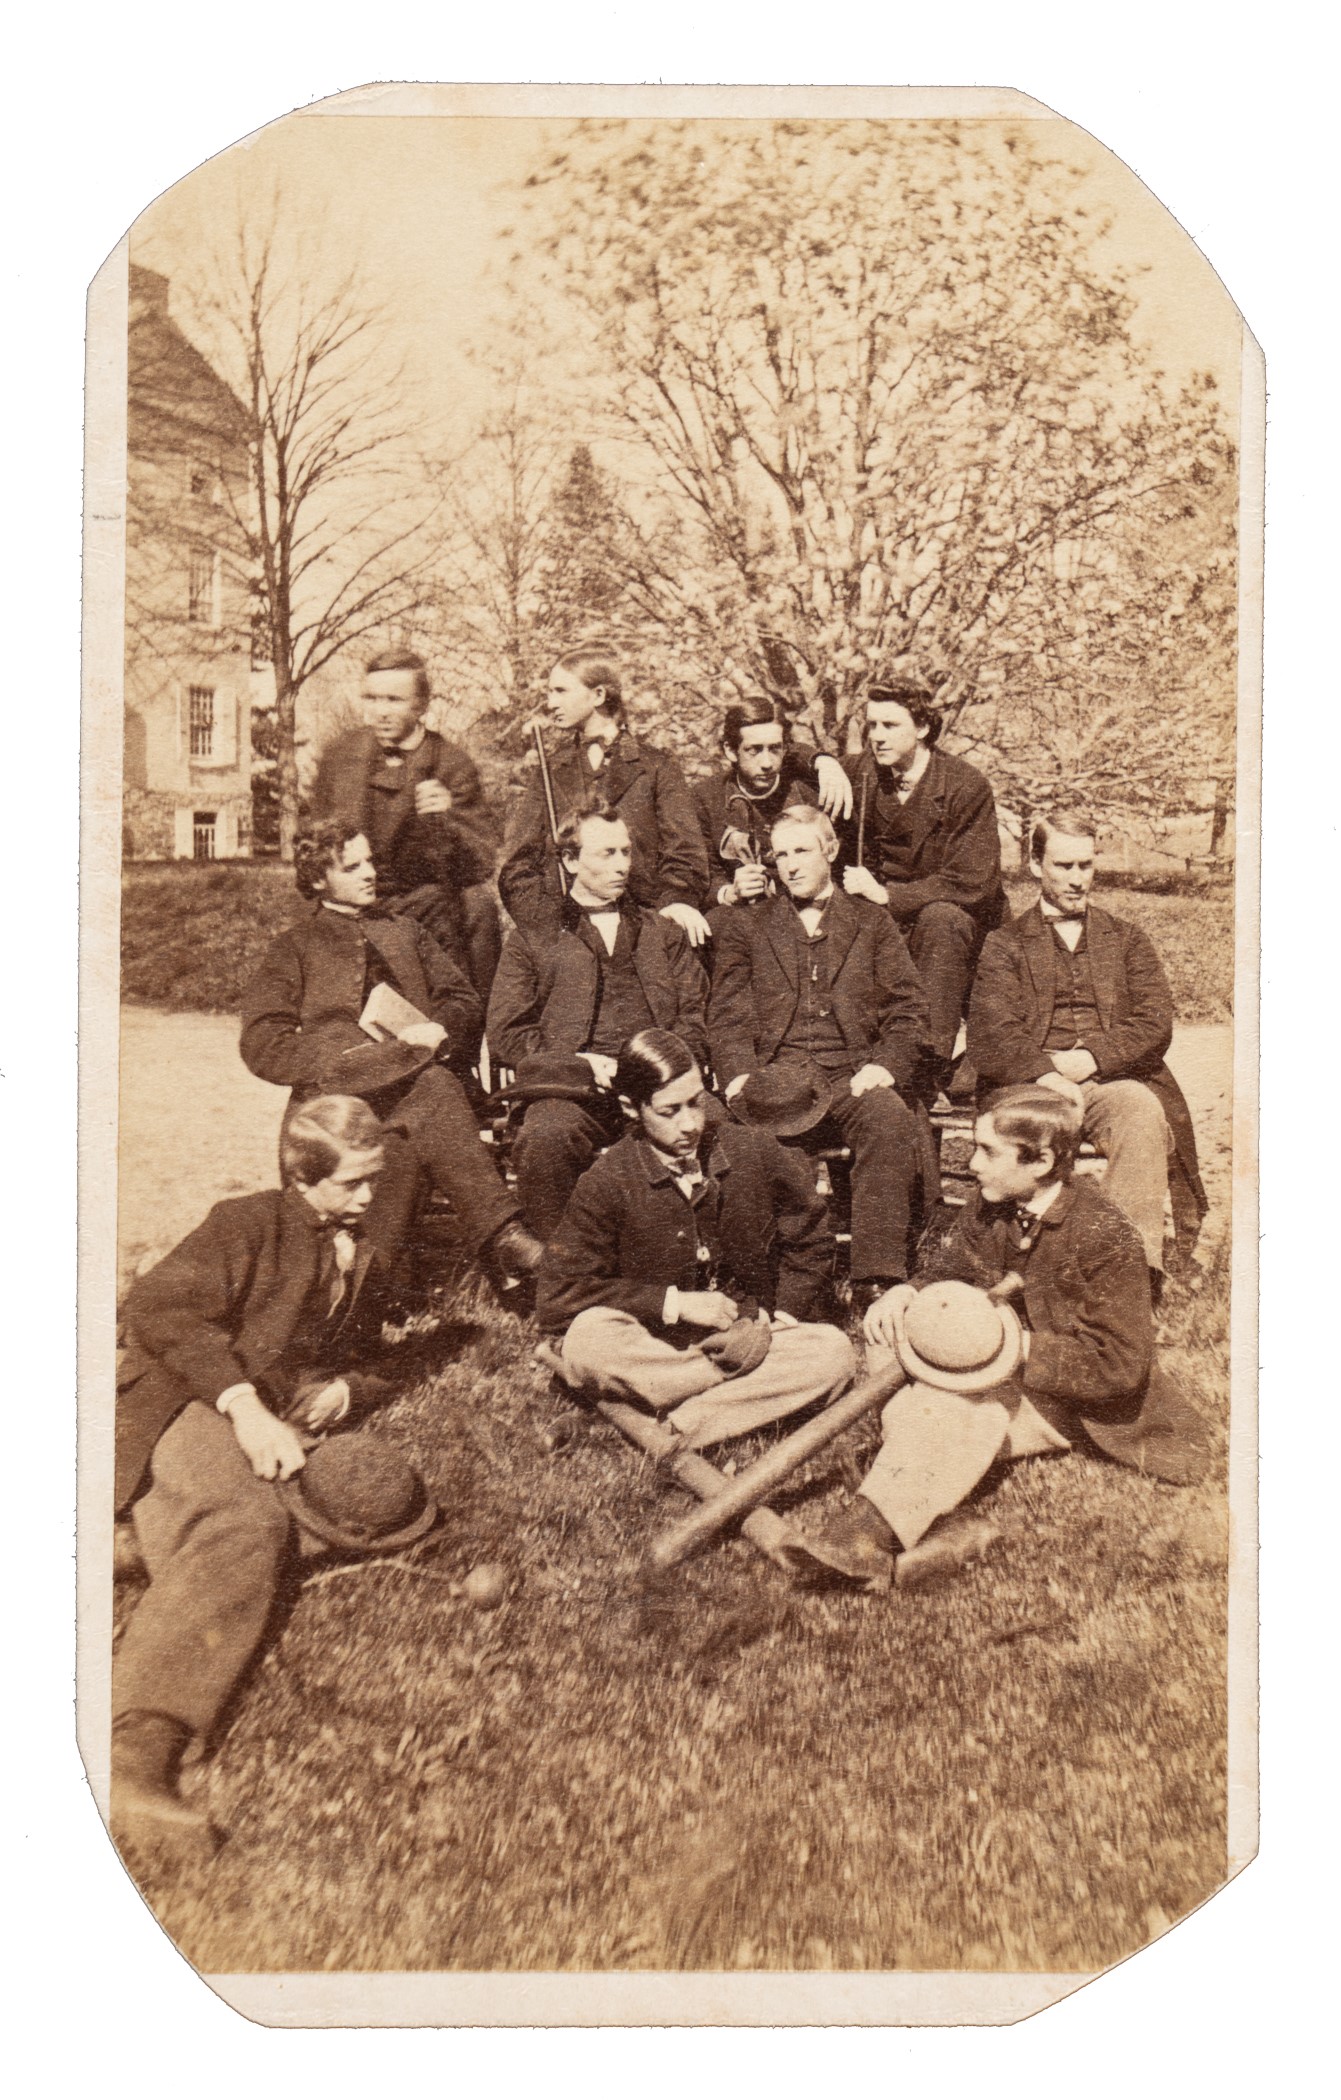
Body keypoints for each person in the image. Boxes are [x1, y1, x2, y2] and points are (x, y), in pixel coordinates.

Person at [112, 1097, 439, 1859]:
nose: (369, 1200)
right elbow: (156, 1310)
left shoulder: (363, 1251)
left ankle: (148, 1546)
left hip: (271, 1412)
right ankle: (135, 1749)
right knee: (249, 1524)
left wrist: (347, 1390)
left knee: (378, 1500)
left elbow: (376, 1353)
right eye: (355, 1184)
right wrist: (243, 1407)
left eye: (376, 1181)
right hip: (185, 1398)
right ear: (301, 1173)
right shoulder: (245, 1222)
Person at [780, 1084, 1209, 1593]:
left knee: (961, 1410)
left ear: (1042, 1160)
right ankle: (949, 1532)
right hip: (1000, 1365)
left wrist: (1020, 1350)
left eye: (988, 1151)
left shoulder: (1104, 1234)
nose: (973, 1163)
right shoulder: (992, 1204)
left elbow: (1121, 1366)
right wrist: (908, 1293)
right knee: (890, 1339)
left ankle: (860, 1536)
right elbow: (952, 1264)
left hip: (1077, 1400)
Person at [240, 819, 542, 1282]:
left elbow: (461, 999)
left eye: (370, 861)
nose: (369, 873)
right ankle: (504, 1236)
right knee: (434, 1089)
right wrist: (336, 1062)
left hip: (410, 1092)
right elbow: (263, 1041)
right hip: (337, 1105)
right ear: (318, 878)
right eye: (352, 865)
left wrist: (440, 1028)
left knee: (423, 1106)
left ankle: (483, 1246)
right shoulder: (295, 947)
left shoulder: (406, 932)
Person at [536, 1031, 856, 1445]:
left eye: (696, 1103)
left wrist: (780, 1318)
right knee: (587, 1339)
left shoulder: (752, 1149)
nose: (689, 1124)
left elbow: (811, 1239)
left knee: (834, 1352)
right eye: (669, 1111)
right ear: (631, 1107)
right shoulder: (606, 1181)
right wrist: (674, 1304)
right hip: (655, 1345)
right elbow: (558, 1298)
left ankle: (665, 1425)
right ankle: (709, 1408)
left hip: (751, 1336)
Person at [707, 803, 934, 1307]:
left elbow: (909, 1009)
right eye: (780, 854)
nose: (790, 865)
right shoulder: (749, 925)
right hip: (776, 1078)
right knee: (758, 1146)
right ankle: (782, 1281)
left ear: (830, 851)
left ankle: (875, 1277)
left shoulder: (871, 922)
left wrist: (884, 1065)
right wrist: (741, 1075)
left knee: (889, 1117)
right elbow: (727, 1015)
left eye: (802, 850)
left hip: (848, 1077)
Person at [967, 806, 1207, 1278]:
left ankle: (1126, 1272)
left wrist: (1092, 1059)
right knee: (1028, 1126)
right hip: (1029, 1083)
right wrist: (1048, 1074)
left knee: (1141, 1110)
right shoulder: (1005, 944)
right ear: (1035, 866)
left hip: (1110, 1081)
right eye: (1064, 865)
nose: (1078, 879)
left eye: (1086, 865)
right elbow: (992, 1032)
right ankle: (1029, 1269)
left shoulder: (1127, 939)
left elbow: (1154, 1022)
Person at [486, 806, 709, 1239]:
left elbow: (693, 1020)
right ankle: (560, 1272)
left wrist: (659, 1072)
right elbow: (508, 1032)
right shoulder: (535, 937)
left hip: (658, 1088)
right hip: (571, 1093)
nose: (622, 864)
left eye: (626, 851)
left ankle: (703, 1261)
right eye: (606, 853)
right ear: (570, 861)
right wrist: (578, 1065)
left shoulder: (662, 932)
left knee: (718, 1126)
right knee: (547, 1134)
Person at [310, 647, 501, 1010]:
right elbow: (313, 843)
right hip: (350, 897)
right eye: (372, 698)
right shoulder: (341, 755)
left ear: (422, 705)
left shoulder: (451, 763)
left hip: (422, 902)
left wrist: (448, 821)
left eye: (394, 700)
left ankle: (467, 1036)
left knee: (476, 909)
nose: (380, 711)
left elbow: (480, 864)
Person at [839, 676, 1007, 1079]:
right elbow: (790, 764)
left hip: (958, 921)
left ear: (923, 728)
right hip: (883, 917)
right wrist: (821, 763)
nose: (877, 736)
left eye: (890, 725)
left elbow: (972, 879)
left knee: (941, 921)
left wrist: (887, 895)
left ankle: (924, 1063)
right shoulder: (857, 772)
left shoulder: (965, 785)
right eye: (872, 725)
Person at [498, 647, 711, 946]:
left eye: (560, 691)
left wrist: (671, 906)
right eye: (549, 692)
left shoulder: (657, 767)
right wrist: (548, 925)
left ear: (598, 695)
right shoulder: (548, 772)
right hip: (567, 931)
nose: (550, 703)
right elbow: (517, 866)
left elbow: (686, 856)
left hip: (644, 928)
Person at [692, 694, 852, 908]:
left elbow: (844, 864)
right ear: (731, 750)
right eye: (754, 750)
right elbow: (702, 876)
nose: (767, 763)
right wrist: (729, 892)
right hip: (746, 917)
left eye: (775, 748)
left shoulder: (812, 791)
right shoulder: (706, 798)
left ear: (786, 748)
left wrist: (824, 760)